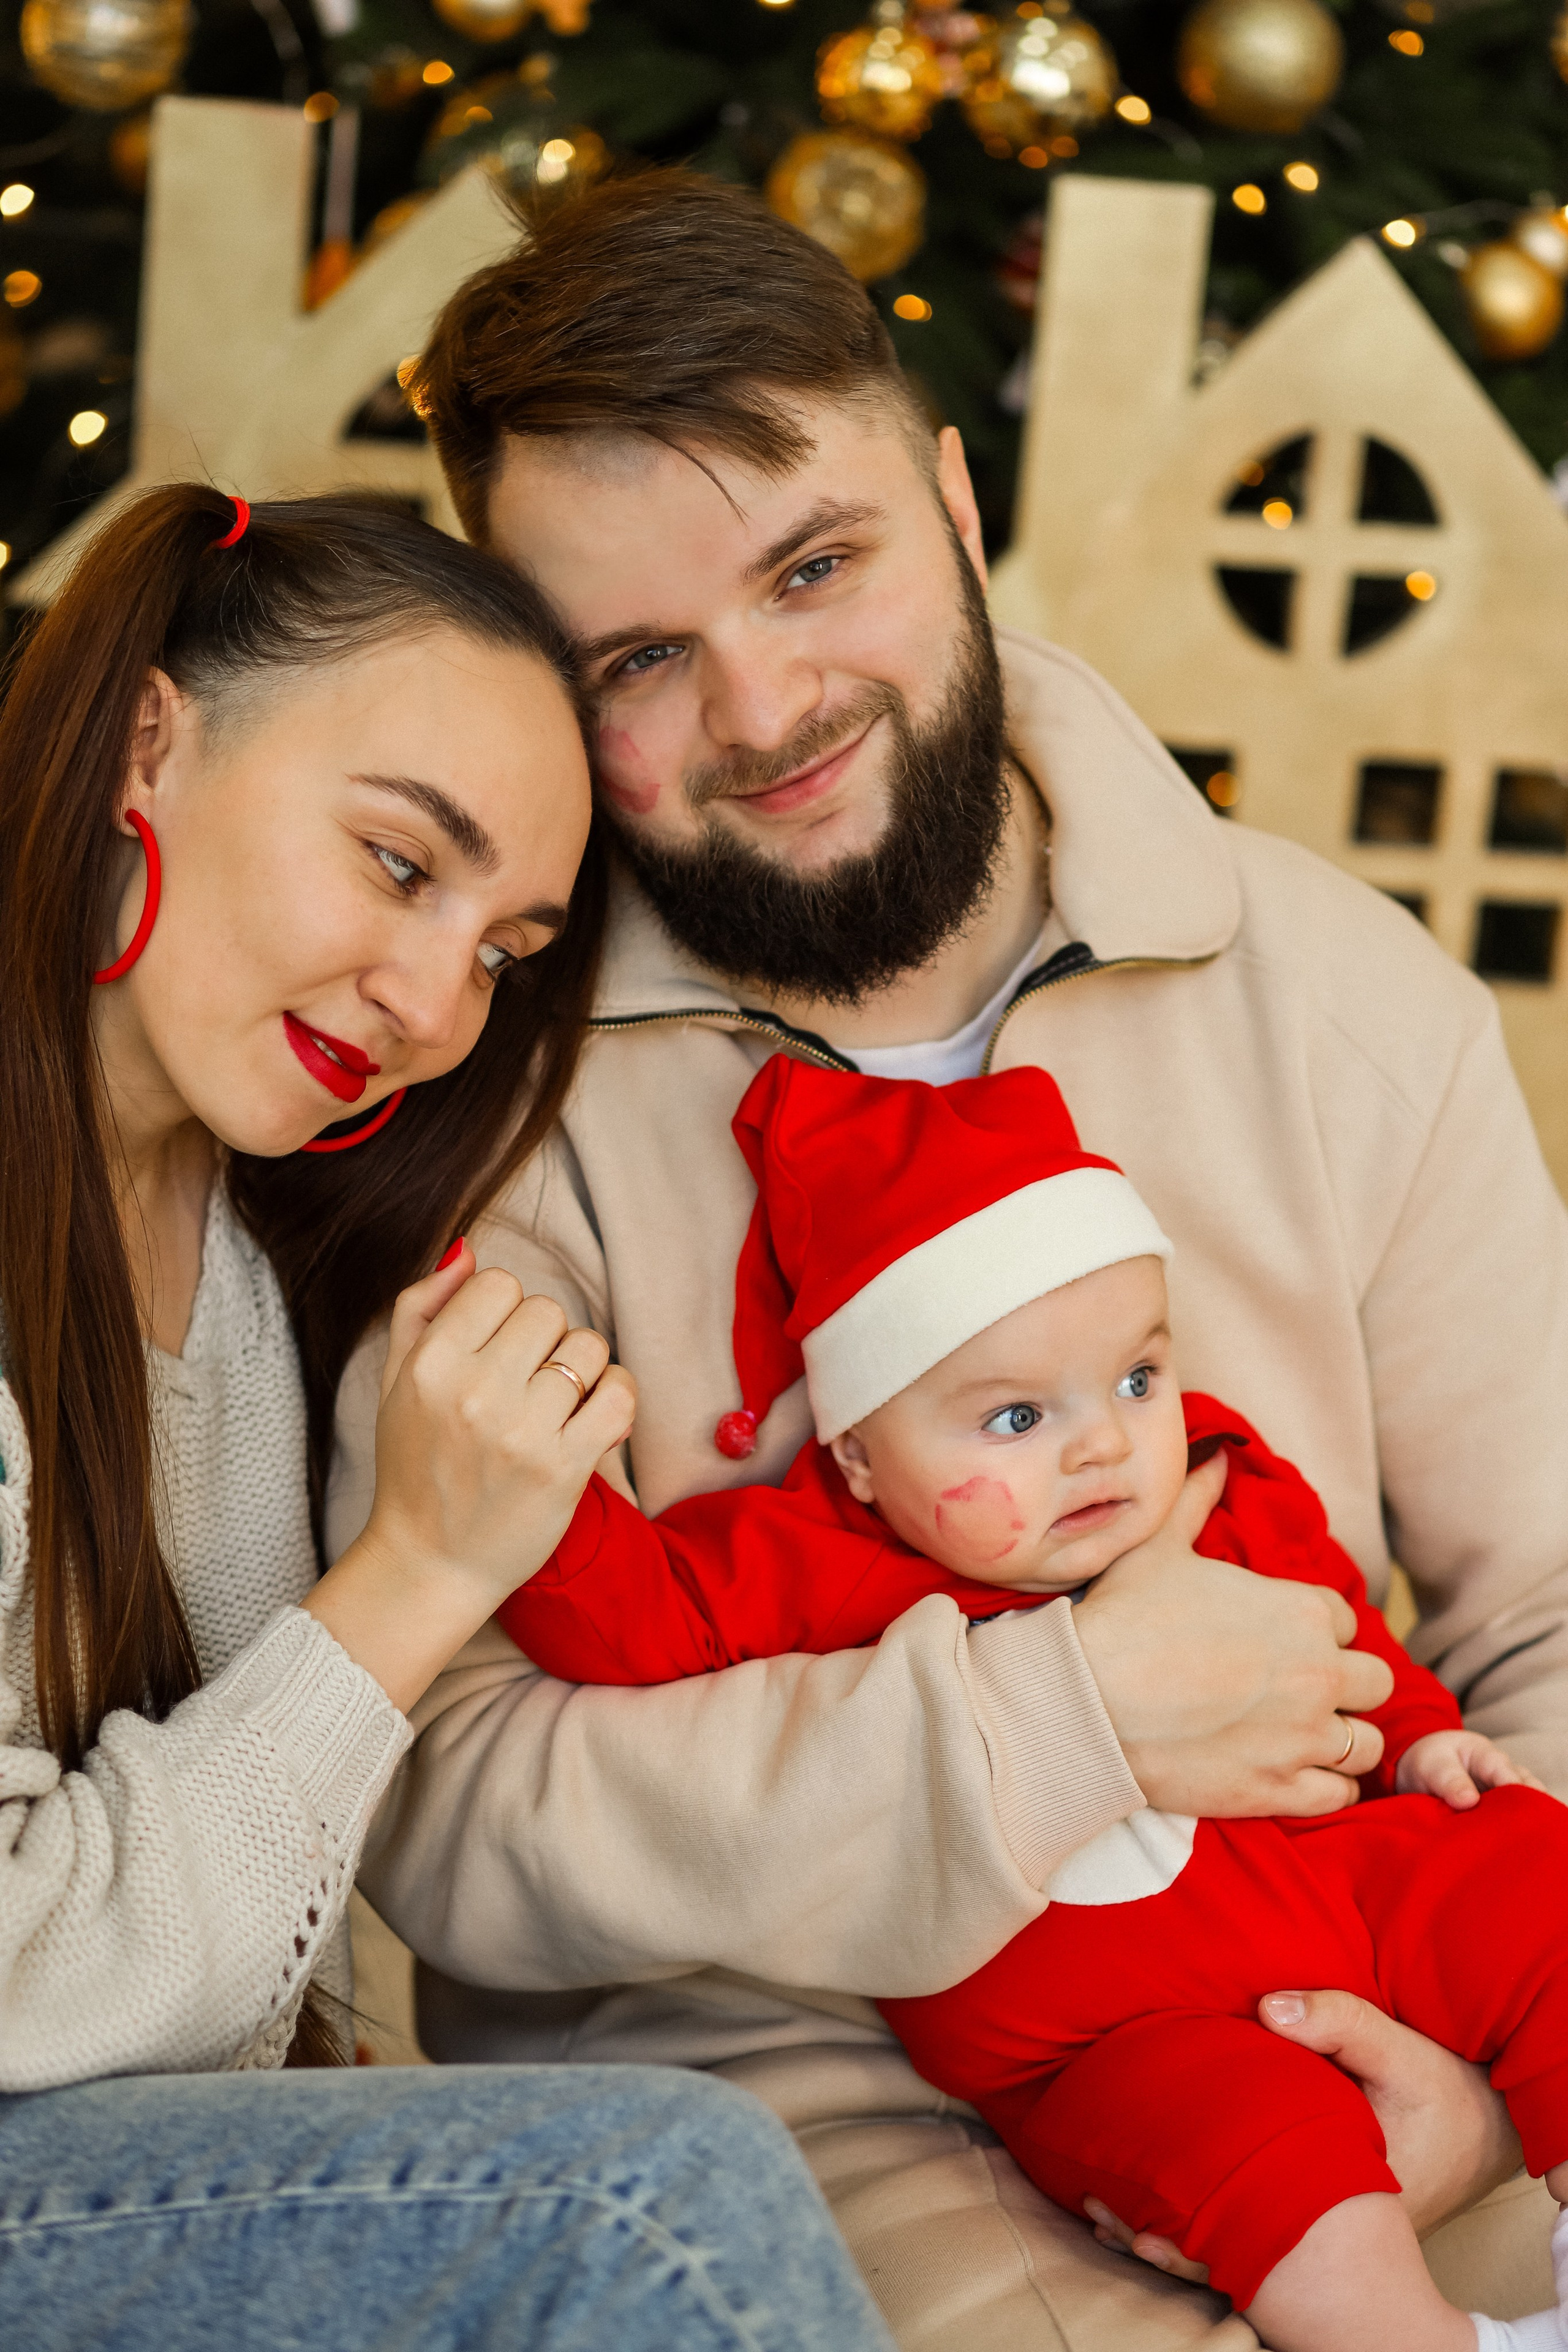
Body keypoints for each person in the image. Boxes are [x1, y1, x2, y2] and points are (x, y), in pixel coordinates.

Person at [333, 170, 1568, 2346]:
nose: (767, 706)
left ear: (961, 510)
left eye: (821, 566)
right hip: (798, 2145)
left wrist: (1463, 2106)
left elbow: (1551, 1613)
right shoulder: (476, 1117)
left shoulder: (1346, 1000)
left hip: (1377, 2016)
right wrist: (1043, 1725)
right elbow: (445, 1808)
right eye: (641, 659)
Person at [0, 483, 897, 2352]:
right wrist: (411, 1578)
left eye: (504, 950)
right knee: (646, 2205)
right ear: (148, 744)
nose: (432, 1001)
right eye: (404, 864)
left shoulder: (247, 1275)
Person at [496, 1054, 1568, 2352]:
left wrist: (1418, 1743)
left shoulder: (1222, 1484)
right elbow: (620, 1619)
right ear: (857, 1459)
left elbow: (1335, 1637)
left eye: (1134, 1380)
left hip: (1336, 1889)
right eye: (1014, 1416)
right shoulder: (815, 1559)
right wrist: (520, 1462)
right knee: (1259, 2154)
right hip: (1111, 2031)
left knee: (1531, 1873)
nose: (1104, 1444)